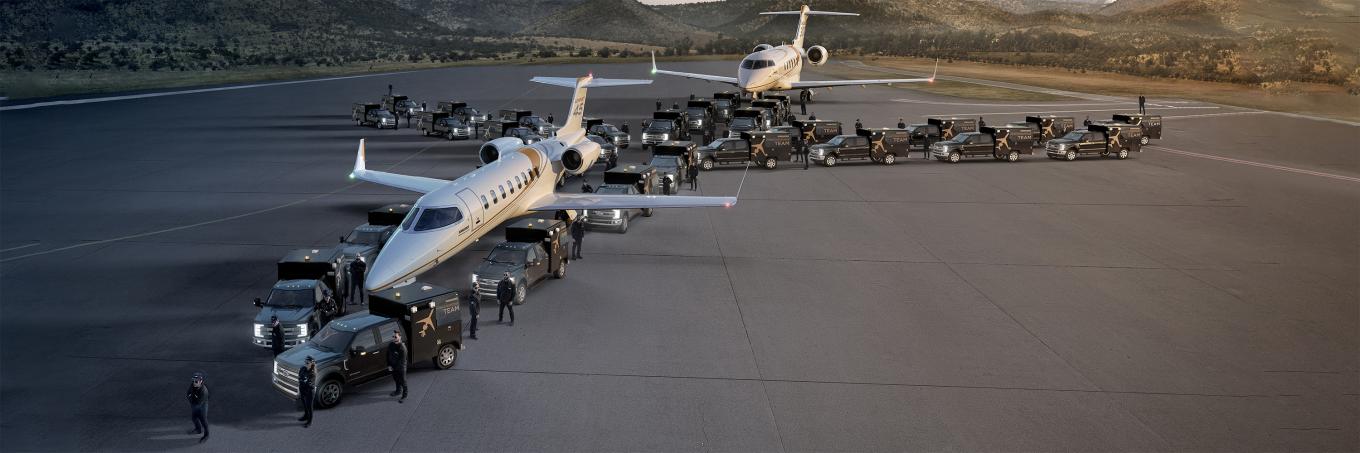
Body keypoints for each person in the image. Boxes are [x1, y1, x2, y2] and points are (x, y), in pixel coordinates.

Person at [186, 372, 209, 443]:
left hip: (202, 407)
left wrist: (191, 397)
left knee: (204, 421)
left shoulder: (204, 391)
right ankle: (198, 429)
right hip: (194, 405)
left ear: (201, 381)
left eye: (196, 381)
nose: (194, 383)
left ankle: (206, 435)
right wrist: (192, 398)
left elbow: (198, 402)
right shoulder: (192, 385)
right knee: (194, 418)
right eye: (193, 381)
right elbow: (188, 394)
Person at [387, 331, 408, 402]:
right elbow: (388, 355)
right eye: (393, 336)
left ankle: (404, 395)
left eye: (395, 337)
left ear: (400, 337)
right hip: (393, 366)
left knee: (403, 381)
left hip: (401, 367)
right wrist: (389, 365)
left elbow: (401, 361)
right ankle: (398, 391)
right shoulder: (391, 345)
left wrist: (394, 368)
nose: (393, 338)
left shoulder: (402, 348)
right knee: (396, 379)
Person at [298, 357, 316, 427]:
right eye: (305, 362)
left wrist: (303, 380)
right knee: (304, 404)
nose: (305, 364)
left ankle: (310, 421)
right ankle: (305, 415)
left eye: (307, 363)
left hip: (310, 392)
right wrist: (303, 380)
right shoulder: (302, 368)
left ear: (312, 363)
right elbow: (299, 377)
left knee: (309, 406)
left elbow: (310, 385)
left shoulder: (313, 373)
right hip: (302, 389)